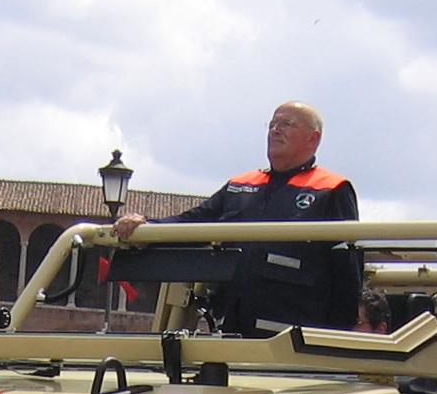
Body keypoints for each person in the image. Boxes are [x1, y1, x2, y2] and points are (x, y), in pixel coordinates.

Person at [111, 100, 360, 331]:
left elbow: (347, 275)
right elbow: (194, 222)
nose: (275, 130)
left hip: (291, 337)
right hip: (231, 330)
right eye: (272, 124)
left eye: (287, 124)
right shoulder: (241, 185)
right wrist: (146, 227)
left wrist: (335, 342)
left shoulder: (332, 189)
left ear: (313, 138)